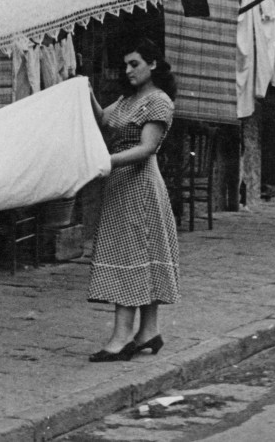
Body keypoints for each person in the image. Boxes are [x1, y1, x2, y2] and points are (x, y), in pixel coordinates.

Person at [86, 38, 179, 362]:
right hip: (121, 186)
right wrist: (84, 92)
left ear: (152, 64)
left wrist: (105, 161)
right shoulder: (128, 99)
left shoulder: (158, 101)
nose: (128, 71)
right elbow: (101, 120)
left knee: (131, 255)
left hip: (140, 186)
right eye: (125, 65)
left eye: (134, 64)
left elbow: (147, 148)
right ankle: (148, 332)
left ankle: (121, 338)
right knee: (141, 255)